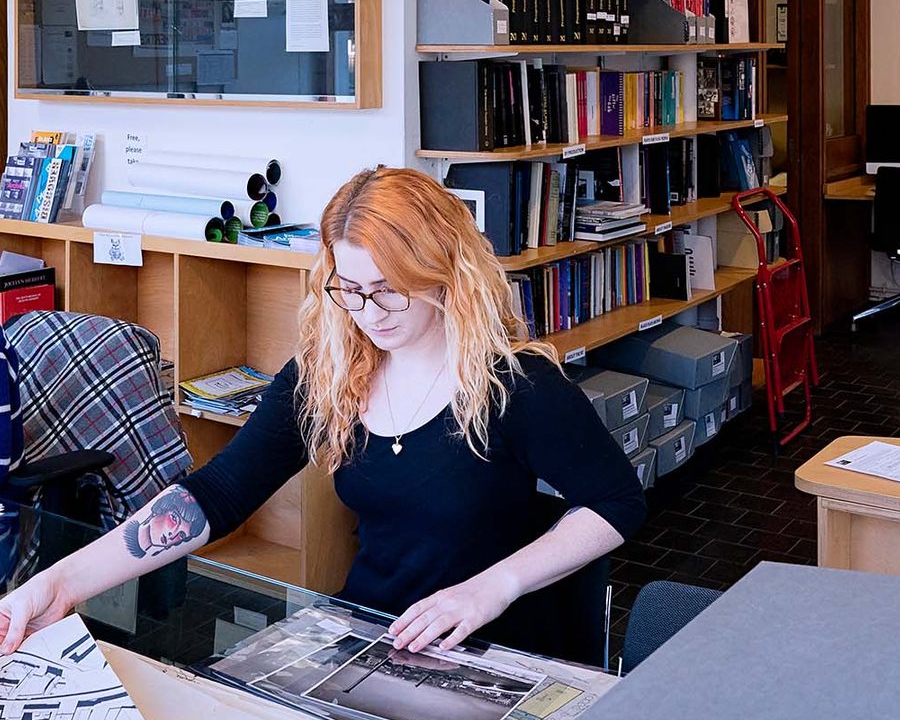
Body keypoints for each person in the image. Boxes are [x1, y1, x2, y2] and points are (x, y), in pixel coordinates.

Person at [0, 167, 645, 657]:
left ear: (445, 271)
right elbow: (216, 495)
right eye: (350, 289)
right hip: (370, 636)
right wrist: (60, 583)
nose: (367, 313)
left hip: (483, 647)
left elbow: (618, 503)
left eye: (388, 290)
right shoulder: (330, 377)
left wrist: (492, 587)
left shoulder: (515, 385)